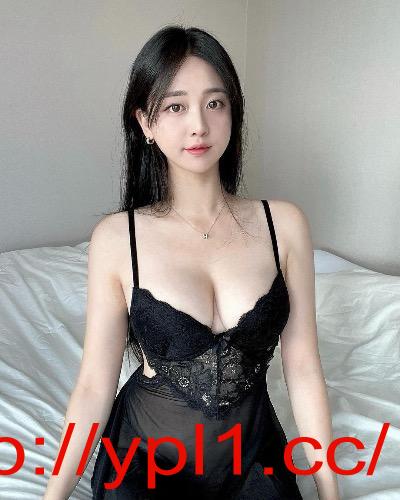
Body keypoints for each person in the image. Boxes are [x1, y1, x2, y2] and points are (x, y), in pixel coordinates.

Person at [43, 25, 339, 500]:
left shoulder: (283, 224)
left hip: (250, 461)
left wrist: (330, 491)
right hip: (144, 461)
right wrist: (54, 495)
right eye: (175, 107)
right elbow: (95, 384)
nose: (198, 124)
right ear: (145, 123)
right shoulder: (118, 238)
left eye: (214, 103)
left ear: (232, 111)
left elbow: (302, 367)